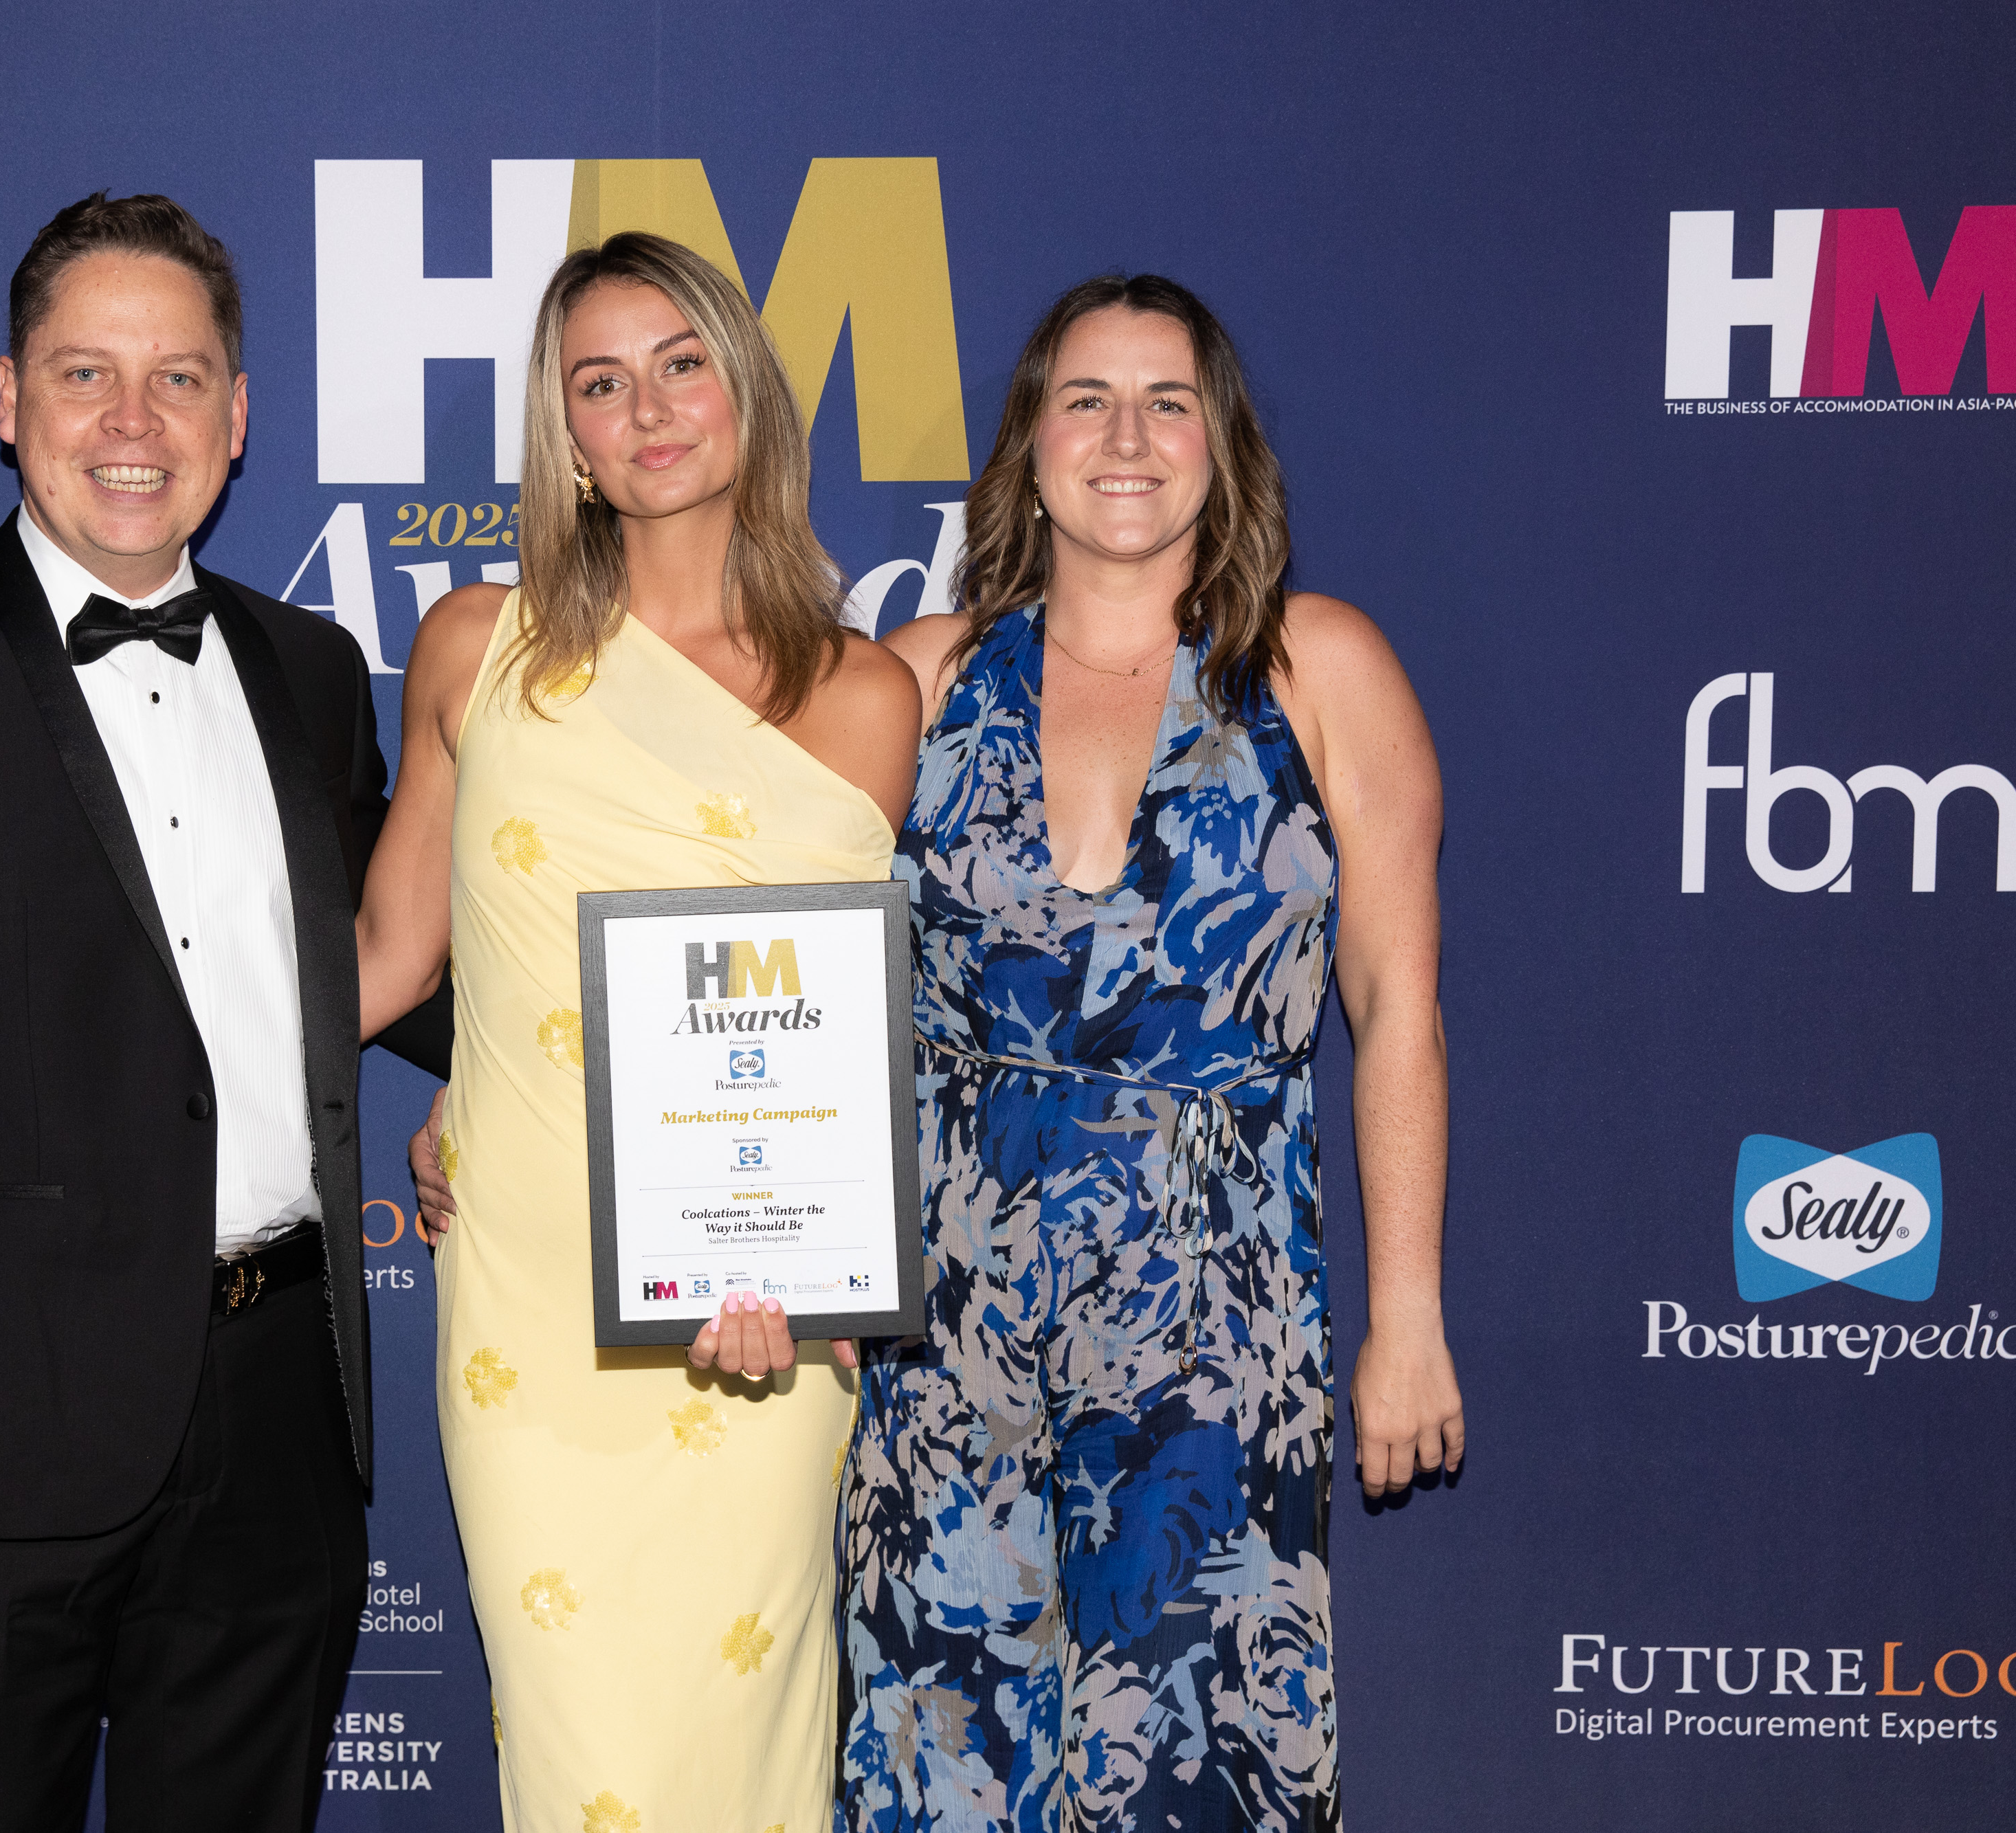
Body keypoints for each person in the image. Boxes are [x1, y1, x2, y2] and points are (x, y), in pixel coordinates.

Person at [0, 192, 447, 1831]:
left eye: (178, 378)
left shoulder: (310, 666)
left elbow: (395, 965)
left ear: (237, 416)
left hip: (280, 1409)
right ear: (9, 400)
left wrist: (616, 1091)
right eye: (83, 374)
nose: (133, 422)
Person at [836, 275, 1465, 1829]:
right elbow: (781, 980)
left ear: (1219, 442)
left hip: (1217, 1336)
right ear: (1027, 444)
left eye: (1166, 402)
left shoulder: (1320, 670)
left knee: (1195, 1765)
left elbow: (1396, 1005)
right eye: (1087, 400)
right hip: (945, 1336)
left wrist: (1408, 1317)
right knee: (946, 1760)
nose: (1126, 437)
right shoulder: (917, 675)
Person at [355, 230, 921, 1833]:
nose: (649, 409)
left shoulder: (866, 696)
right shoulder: (476, 646)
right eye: (599, 384)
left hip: (764, 1316)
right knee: (582, 1758)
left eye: (680, 364)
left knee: (743, 1743)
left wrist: (812, 1263)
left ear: (744, 389)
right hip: (531, 1306)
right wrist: (145, 1029)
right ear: (565, 436)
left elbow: (832, 1030)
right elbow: (391, 955)